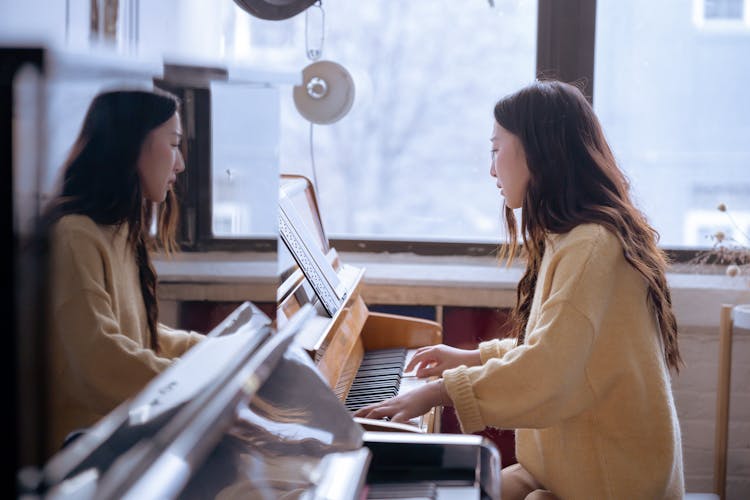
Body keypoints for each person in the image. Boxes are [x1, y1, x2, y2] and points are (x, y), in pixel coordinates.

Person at [355, 80, 685, 499]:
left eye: (496, 149)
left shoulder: (591, 246)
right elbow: (561, 346)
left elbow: (547, 369)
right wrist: (473, 356)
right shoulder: (573, 238)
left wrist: (438, 393)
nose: (492, 169)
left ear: (539, 151)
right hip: (565, 468)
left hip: (610, 481)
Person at [41, 89, 204, 457]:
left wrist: (214, 352)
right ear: (132, 147)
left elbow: (140, 337)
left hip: (123, 431)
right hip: (83, 450)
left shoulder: (117, 230)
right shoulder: (73, 236)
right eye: (174, 144)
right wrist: (197, 379)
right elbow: (102, 358)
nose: (179, 164)